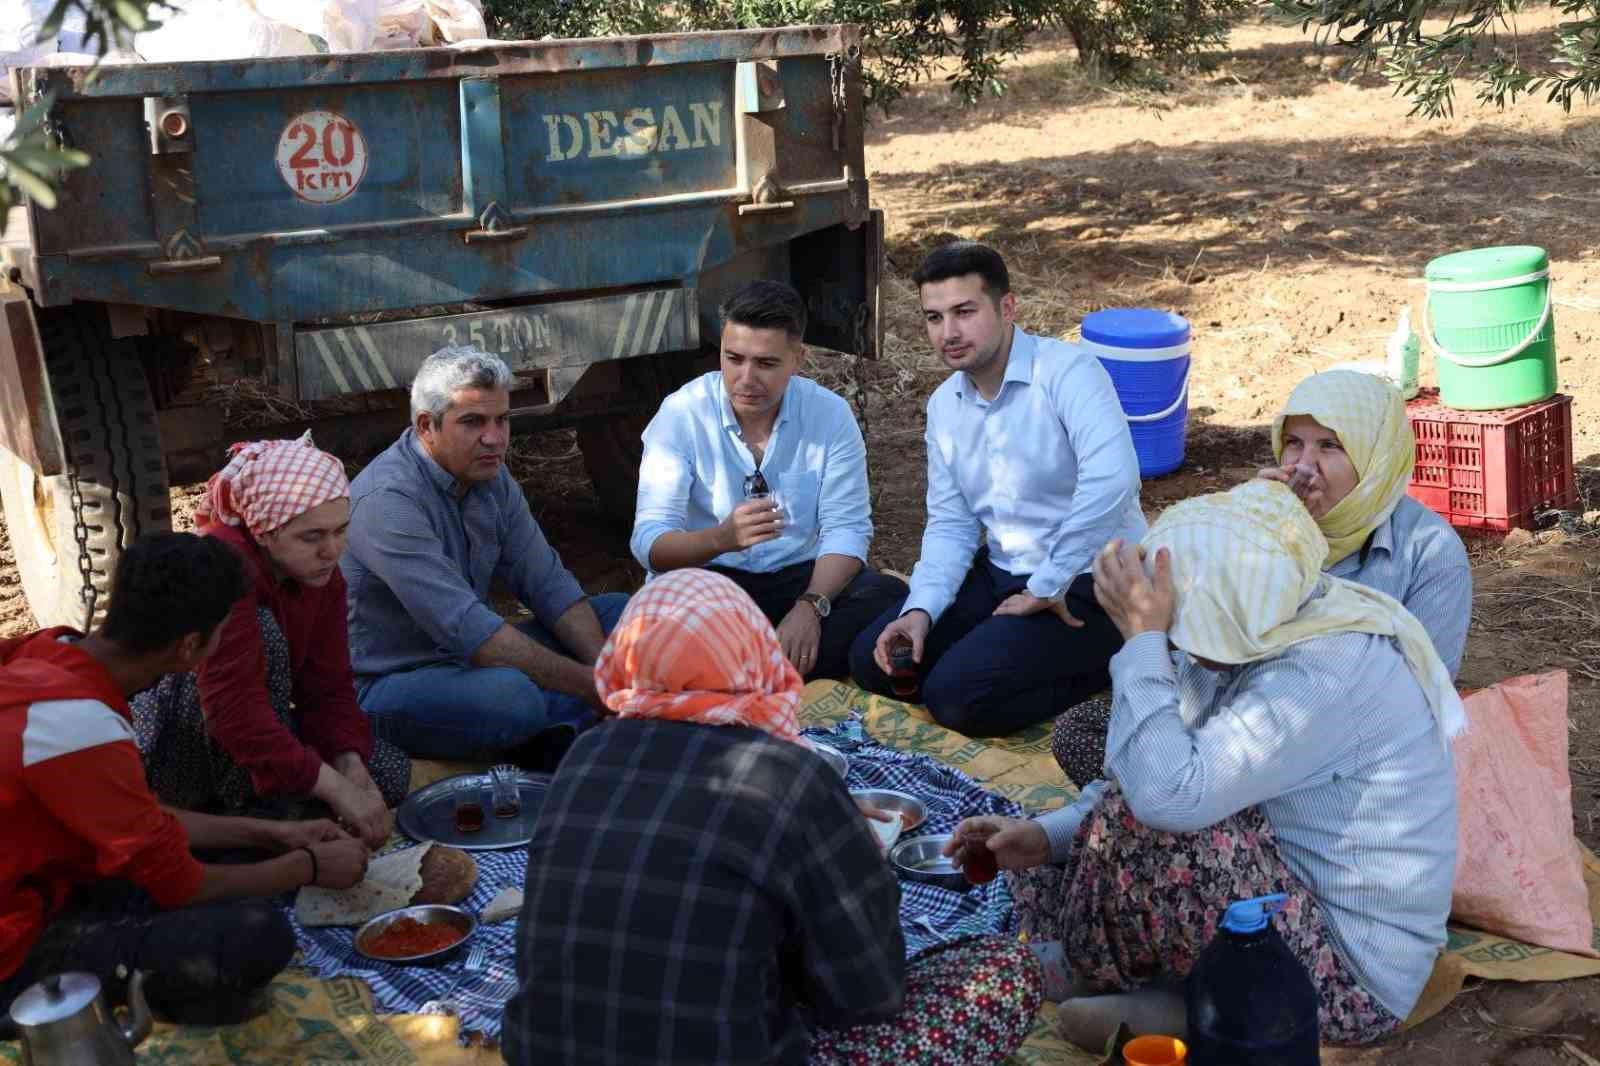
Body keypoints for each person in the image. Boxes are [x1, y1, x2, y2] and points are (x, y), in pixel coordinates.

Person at [948, 480, 1459, 1051]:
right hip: (1282, 883)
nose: (1183, 641)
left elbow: (1162, 795)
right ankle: (1184, 1001)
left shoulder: (1326, 668)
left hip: (1346, 977)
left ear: (1232, 604)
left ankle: (1105, 971)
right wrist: (1045, 838)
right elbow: (1137, 768)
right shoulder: (1256, 625)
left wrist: (1143, 640)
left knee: (1150, 812)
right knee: (1114, 795)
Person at [502, 568, 1042, 1066]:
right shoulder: (792, 780)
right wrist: (851, 860)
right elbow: (868, 995)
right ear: (752, 653)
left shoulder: (584, 757)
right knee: (1006, 972)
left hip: (545, 1052)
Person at [0, 533, 370, 1033]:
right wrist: (306, 866)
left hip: (41, 878)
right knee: (255, 935)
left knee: (252, 854)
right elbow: (183, 885)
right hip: (15, 943)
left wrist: (279, 838)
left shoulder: (48, 651)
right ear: (191, 646)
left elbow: (140, 820)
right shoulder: (78, 726)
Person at [1053, 368, 1471, 787]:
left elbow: (1411, 701)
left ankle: (1175, 813)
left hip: (1325, 746)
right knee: (1082, 732)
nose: (1304, 466)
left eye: (1330, 446)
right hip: (1226, 708)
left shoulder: (1429, 552)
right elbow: (1196, 652)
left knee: (1163, 788)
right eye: (1293, 443)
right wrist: (1256, 530)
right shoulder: (1264, 519)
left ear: (1374, 459)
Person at [848, 241, 1146, 736]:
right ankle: (998, 651)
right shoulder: (945, 405)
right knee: (874, 659)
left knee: (955, 699)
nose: (949, 332)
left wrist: (1046, 584)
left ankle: (1111, 654)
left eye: (964, 311)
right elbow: (951, 524)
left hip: (1090, 580)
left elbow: (1112, 480)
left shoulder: (1069, 373)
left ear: (1007, 308)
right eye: (934, 317)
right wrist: (921, 608)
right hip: (1004, 570)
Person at [342, 345, 629, 764]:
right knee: (513, 701)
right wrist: (592, 685)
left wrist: (605, 671)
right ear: (427, 426)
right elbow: (471, 632)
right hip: (394, 679)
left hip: (466, 658)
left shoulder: (488, 470)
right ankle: (568, 726)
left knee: (623, 617)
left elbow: (546, 583)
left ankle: (565, 725)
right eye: (473, 422)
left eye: (502, 420)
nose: (495, 438)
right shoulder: (388, 501)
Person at [132, 433, 409, 849]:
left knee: (385, 776)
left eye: (340, 530)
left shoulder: (322, 577)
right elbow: (233, 715)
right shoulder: (222, 570)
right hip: (183, 740)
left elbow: (328, 686)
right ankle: (242, 813)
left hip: (265, 721)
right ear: (263, 532)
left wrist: (350, 767)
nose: (332, 550)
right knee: (267, 635)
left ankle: (274, 802)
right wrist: (333, 788)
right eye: (311, 536)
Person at [630, 280, 907, 680]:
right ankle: (773, 669)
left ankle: (743, 670)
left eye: (766, 363)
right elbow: (648, 543)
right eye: (734, 359)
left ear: (798, 359)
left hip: (798, 581)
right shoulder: (682, 414)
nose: (746, 379)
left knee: (887, 597)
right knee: (657, 620)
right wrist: (720, 538)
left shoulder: (830, 415)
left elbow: (847, 530)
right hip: (711, 580)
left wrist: (811, 606)